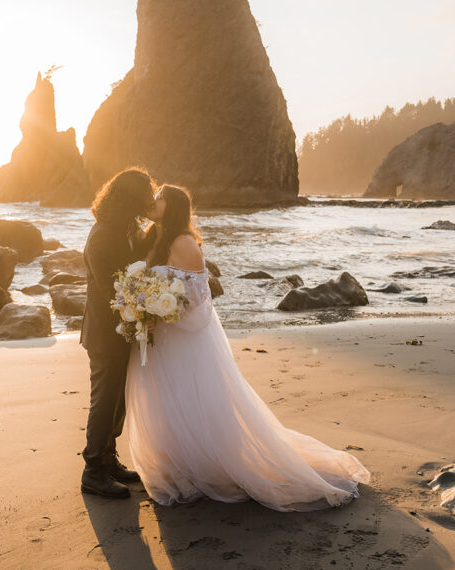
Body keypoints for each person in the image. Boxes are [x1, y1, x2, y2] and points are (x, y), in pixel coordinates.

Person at [124, 184, 371, 511]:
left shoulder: (184, 243)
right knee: (166, 402)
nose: (153, 202)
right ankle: (176, 466)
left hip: (182, 339)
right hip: (161, 341)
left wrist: (160, 312)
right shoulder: (155, 239)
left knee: (190, 400)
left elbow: (199, 302)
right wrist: (141, 307)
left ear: (172, 206)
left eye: (159, 198)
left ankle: (205, 467)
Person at [80, 167, 158, 498]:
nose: (149, 202)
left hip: (120, 330)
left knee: (119, 400)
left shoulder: (123, 228)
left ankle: (109, 460)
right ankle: (92, 470)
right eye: (145, 197)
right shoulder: (103, 235)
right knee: (104, 399)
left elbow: (135, 262)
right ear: (130, 198)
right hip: (104, 332)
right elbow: (115, 286)